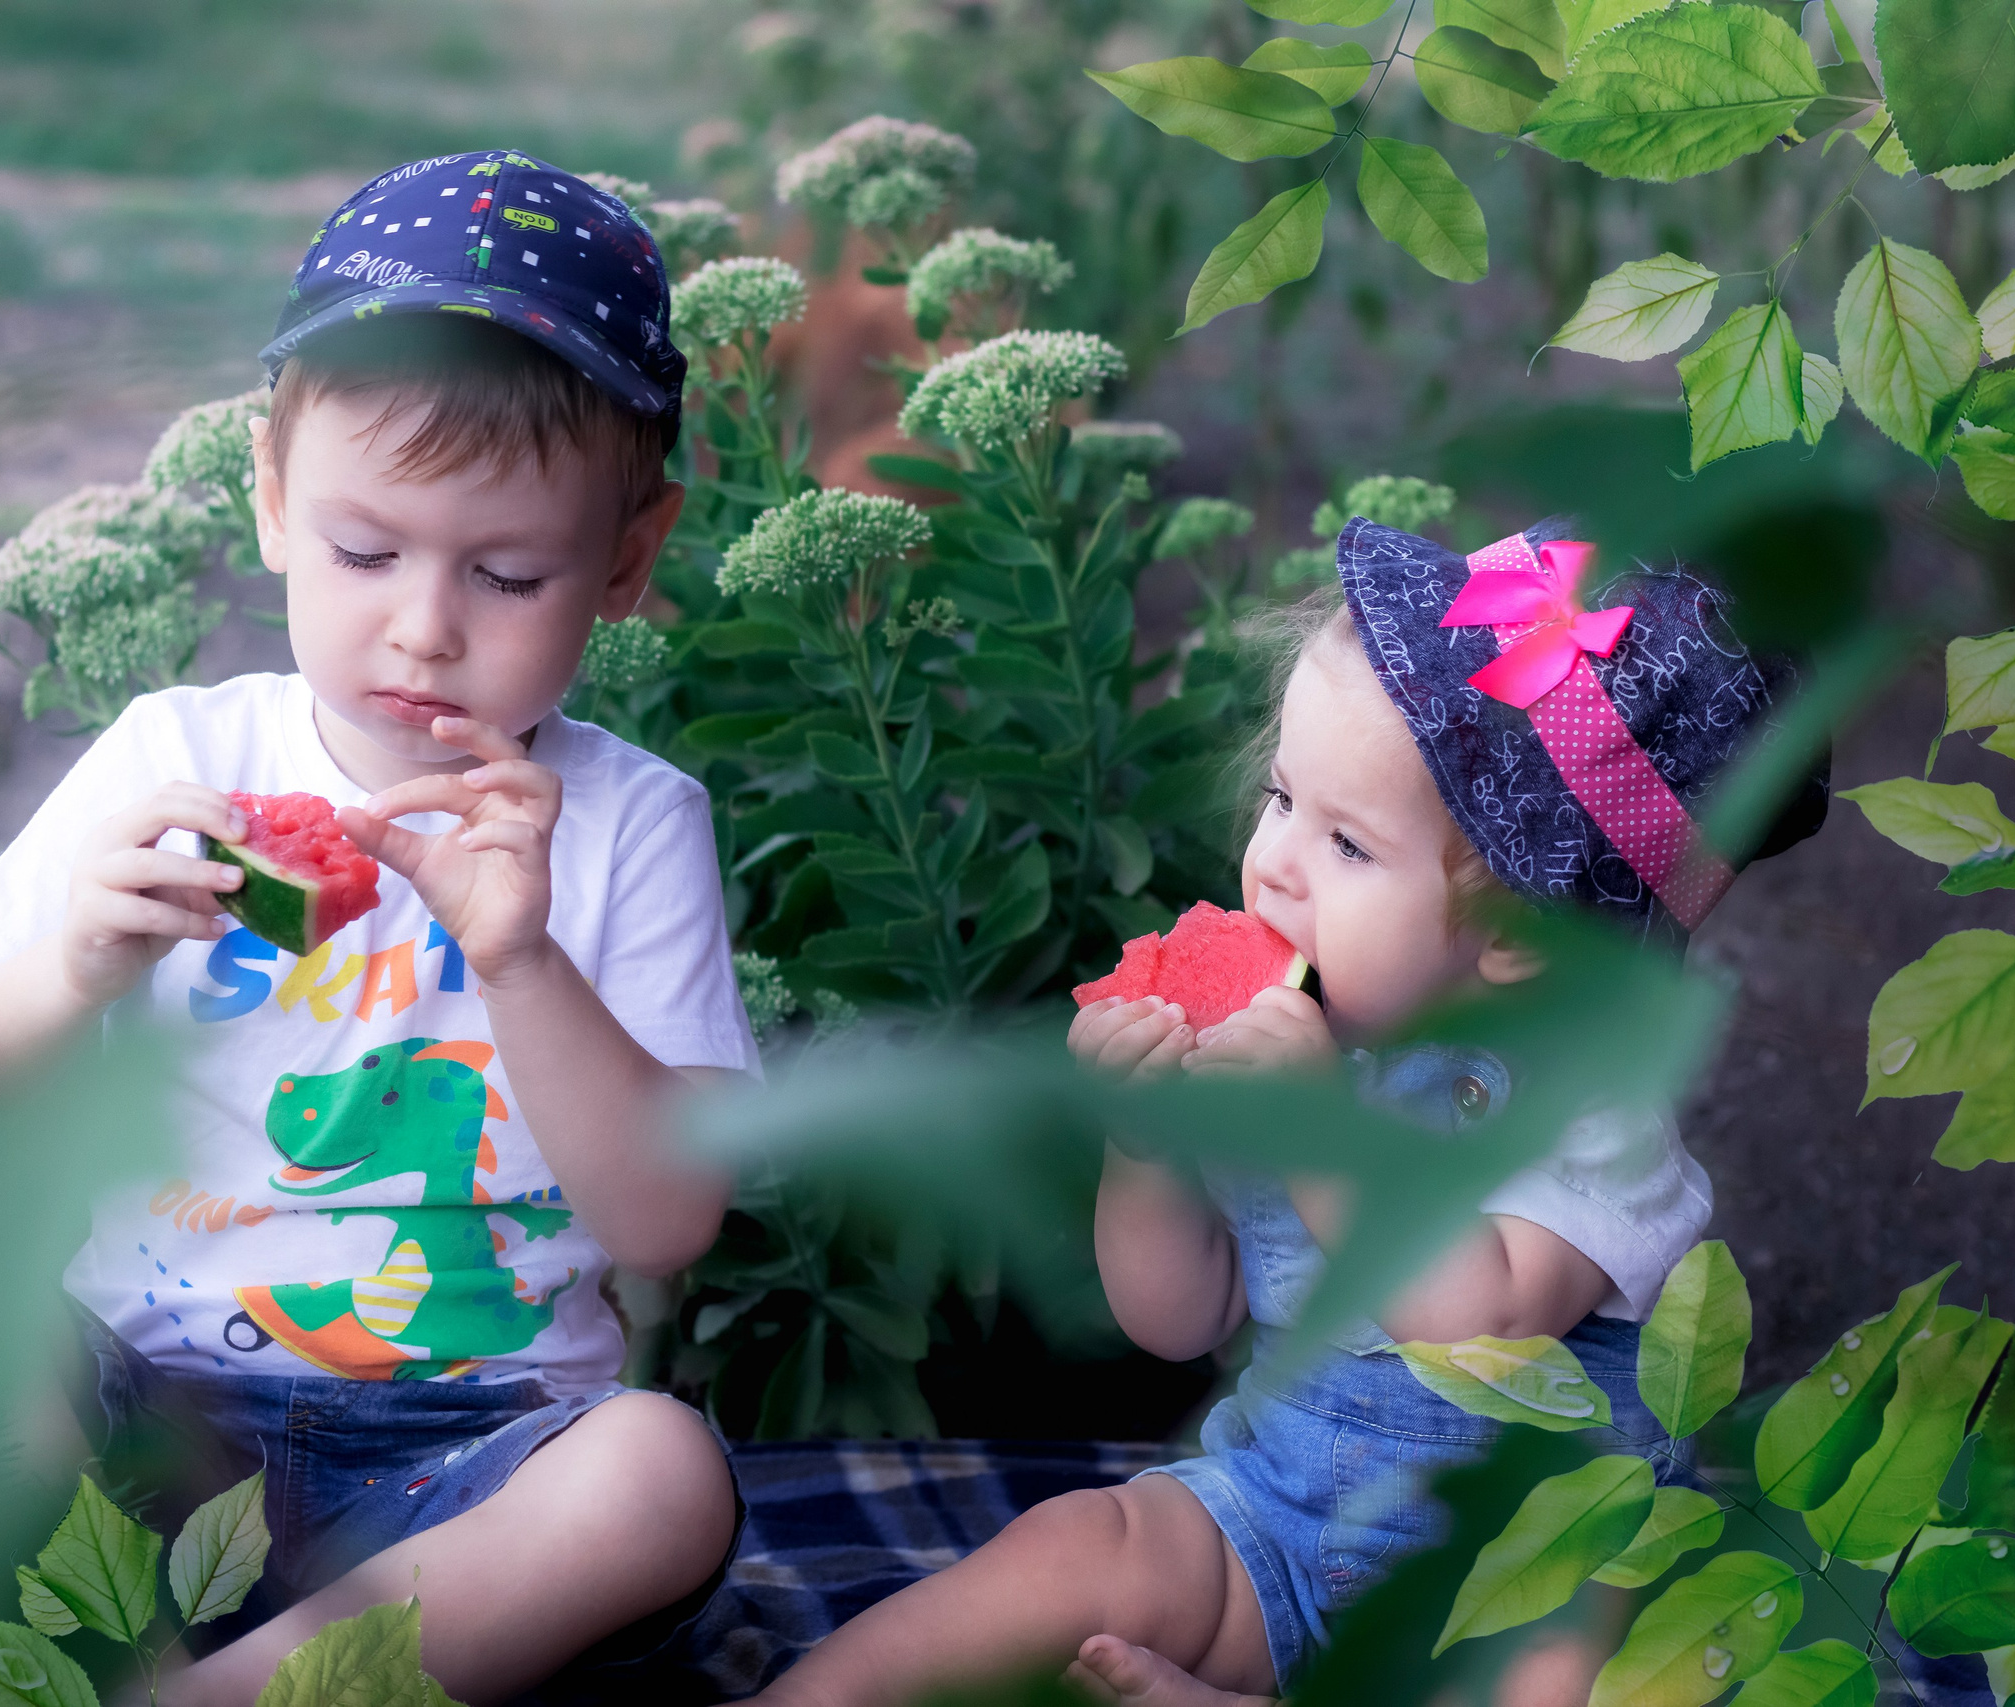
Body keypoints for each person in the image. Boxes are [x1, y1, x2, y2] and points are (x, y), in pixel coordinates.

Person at [0, 151, 755, 1706]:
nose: (423, 625)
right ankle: (160, 1659)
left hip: (465, 1468)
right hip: (150, 1419)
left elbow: (672, 1220)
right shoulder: (174, 758)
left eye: (507, 571)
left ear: (625, 558)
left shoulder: (628, 828)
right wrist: (71, 967)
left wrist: (525, 957)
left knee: (662, 1470)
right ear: (272, 497)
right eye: (366, 551)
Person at [750, 517, 1826, 1707]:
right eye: (1279, 799)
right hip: (1272, 1525)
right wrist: (1144, 1143)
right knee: (1078, 1548)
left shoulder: (1584, 1109)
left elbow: (1481, 1309)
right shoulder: (1271, 1042)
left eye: (1350, 846)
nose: (1272, 868)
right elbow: (1175, 1317)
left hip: (1507, 1576)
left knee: (1579, 1675)